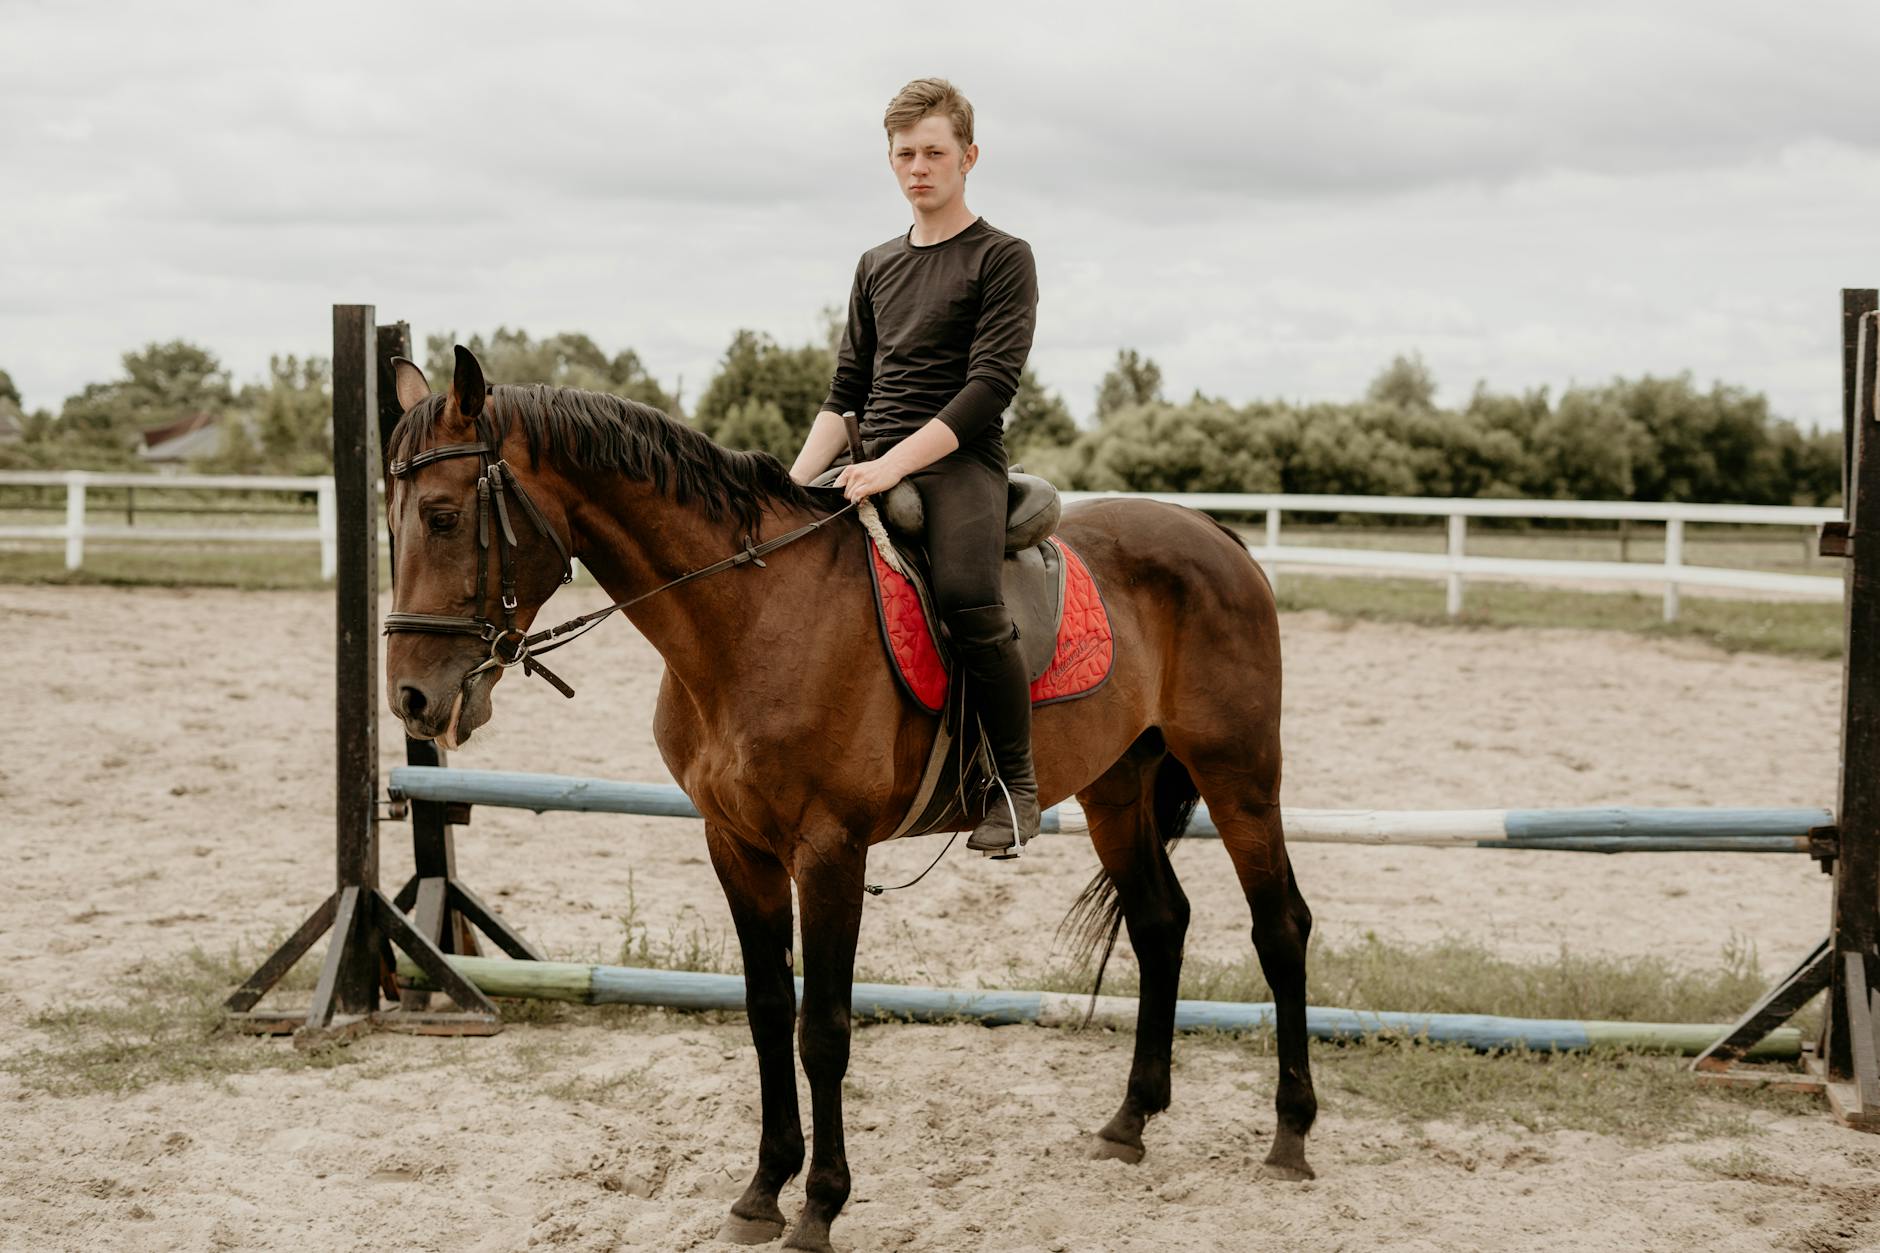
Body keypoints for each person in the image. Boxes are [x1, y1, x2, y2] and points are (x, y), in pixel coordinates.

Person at [789, 77, 1041, 855]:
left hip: (958, 463)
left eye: (934, 152)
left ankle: (1016, 783)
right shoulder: (875, 265)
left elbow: (989, 388)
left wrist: (892, 464)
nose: (919, 167)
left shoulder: (1002, 257)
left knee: (969, 594)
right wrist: (793, 482)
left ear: (968, 156)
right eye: (905, 154)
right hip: (873, 459)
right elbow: (845, 394)